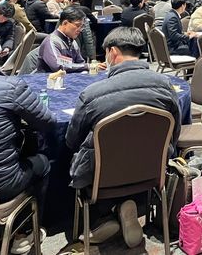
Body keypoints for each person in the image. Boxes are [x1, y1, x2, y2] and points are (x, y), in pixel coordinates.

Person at [65, 27, 181, 248]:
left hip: (103, 174)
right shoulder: (166, 86)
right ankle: (127, 206)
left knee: (85, 158)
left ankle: (103, 216)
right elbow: (173, 134)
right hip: (151, 168)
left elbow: (72, 141)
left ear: (113, 52)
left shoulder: (93, 94)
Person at [0, 31, 56, 255]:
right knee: (43, 162)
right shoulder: (11, 87)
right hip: (3, 185)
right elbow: (47, 122)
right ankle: (23, 234)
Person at [37, 7, 104, 73]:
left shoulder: (72, 41)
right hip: (49, 81)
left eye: (82, 26)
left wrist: (87, 67)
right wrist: (88, 66)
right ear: (65, 23)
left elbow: (80, 63)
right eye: (77, 25)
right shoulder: (51, 41)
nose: (80, 30)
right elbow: (58, 66)